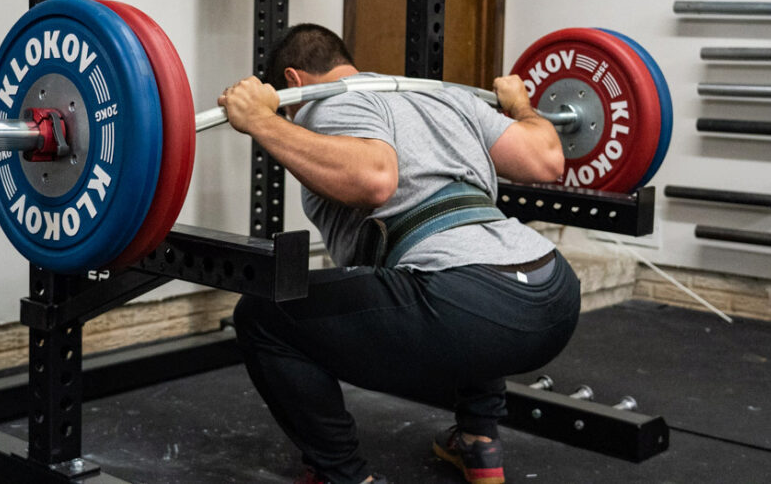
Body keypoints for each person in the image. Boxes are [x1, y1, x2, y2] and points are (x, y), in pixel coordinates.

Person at [218, 24, 581, 484]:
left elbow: (374, 179)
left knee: (262, 317)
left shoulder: (328, 101)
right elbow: (546, 159)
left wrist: (262, 120)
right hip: (555, 294)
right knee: (448, 273)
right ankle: (478, 440)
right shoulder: (440, 97)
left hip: (468, 305)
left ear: (292, 82)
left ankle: (342, 475)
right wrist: (520, 106)